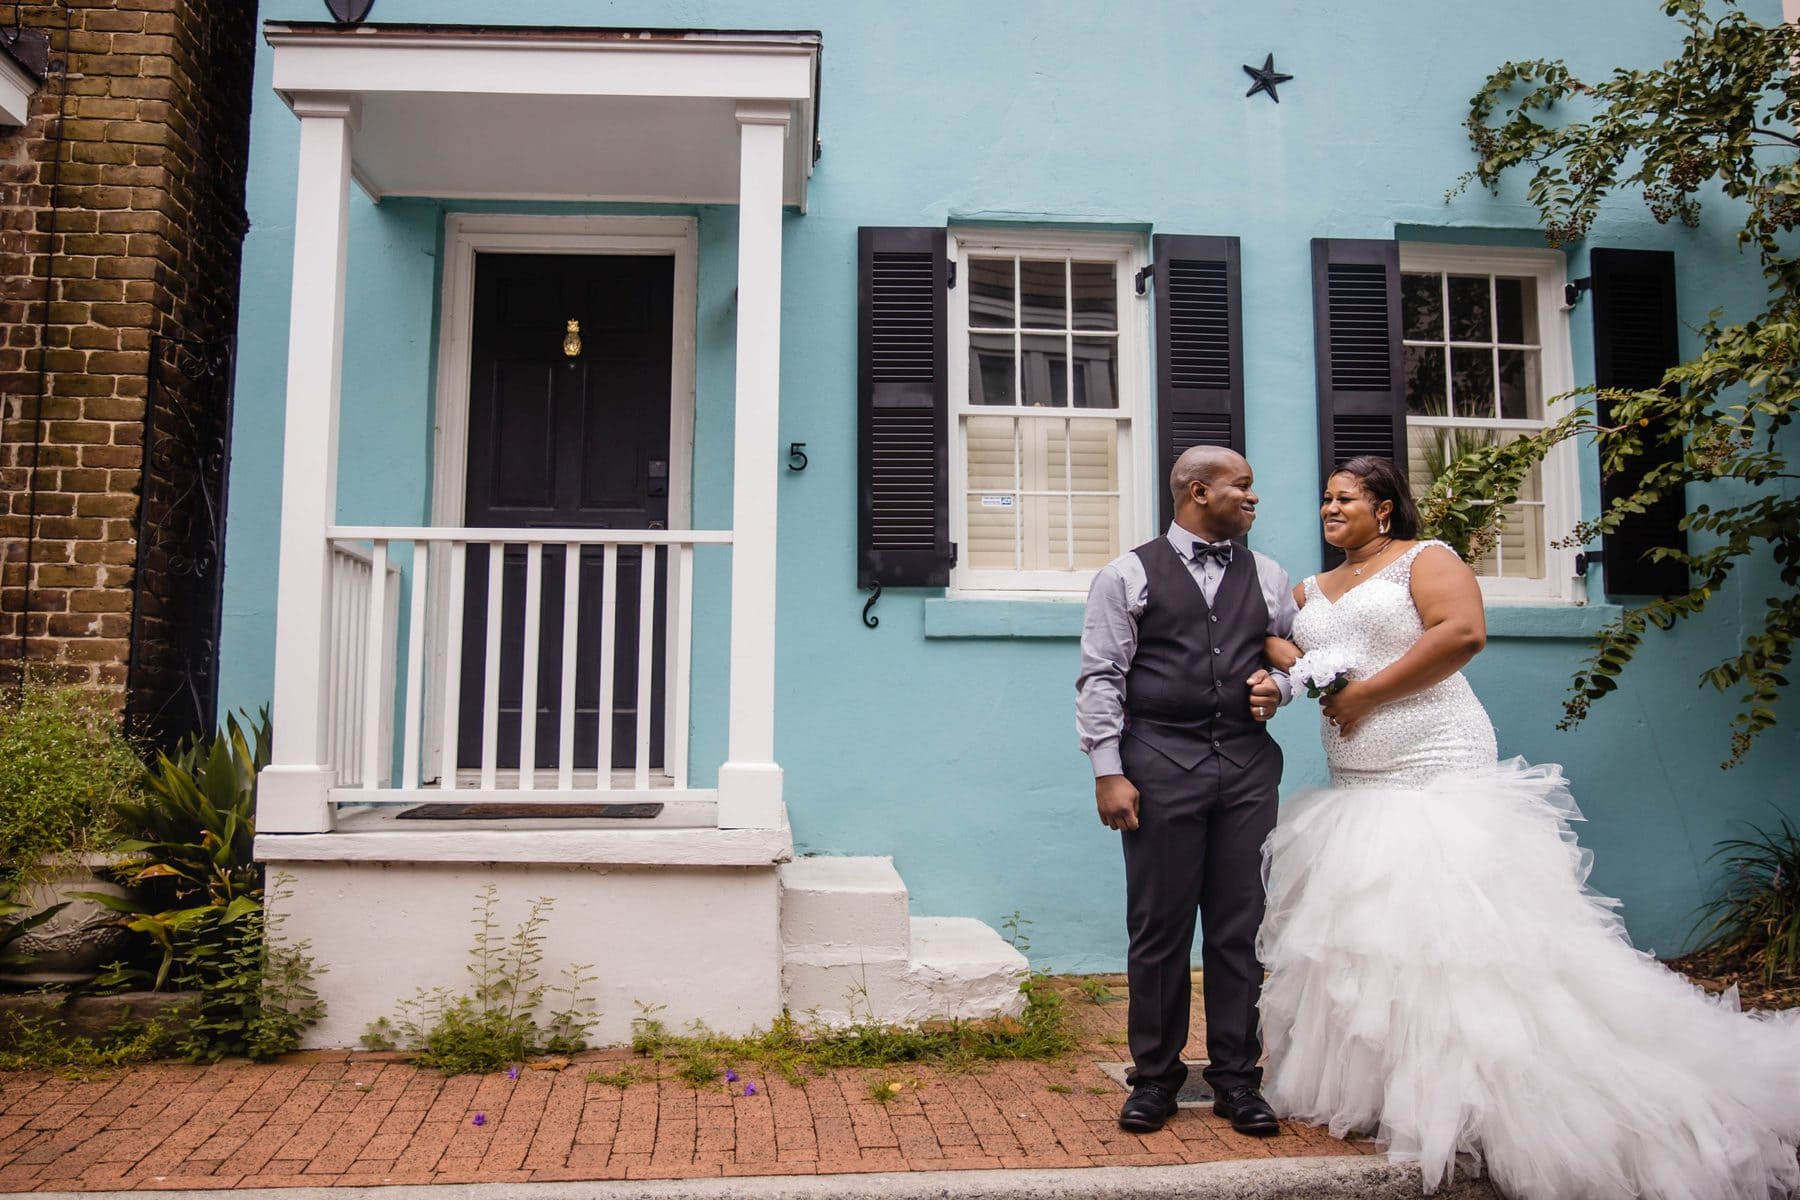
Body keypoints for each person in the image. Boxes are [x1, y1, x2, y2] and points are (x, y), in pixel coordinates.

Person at [1258, 455, 1800, 1199]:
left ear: (1385, 509)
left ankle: (1491, 1089)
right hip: (1358, 781)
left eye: (1345, 498)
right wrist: (1305, 663)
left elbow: (1462, 636)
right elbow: (1282, 643)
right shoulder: (1308, 589)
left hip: (1437, 761)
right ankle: (1392, 1087)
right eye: (1324, 498)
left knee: (1459, 936)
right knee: (1375, 934)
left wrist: (1364, 696)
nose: (1330, 508)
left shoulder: (1426, 559)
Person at [1076, 445, 1296, 1136]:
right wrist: (1108, 770)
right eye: (1243, 487)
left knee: (1240, 927)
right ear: (1198, 492)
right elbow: (1101, 677)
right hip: (1157, 762)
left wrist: (1278, 688)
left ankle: (1237, 1079)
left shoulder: (1270, 575)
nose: (1254, 499)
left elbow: (1297, 658)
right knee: (1161, 927)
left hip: (1247, 766)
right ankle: (1155, 1079)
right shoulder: (1127, 574)